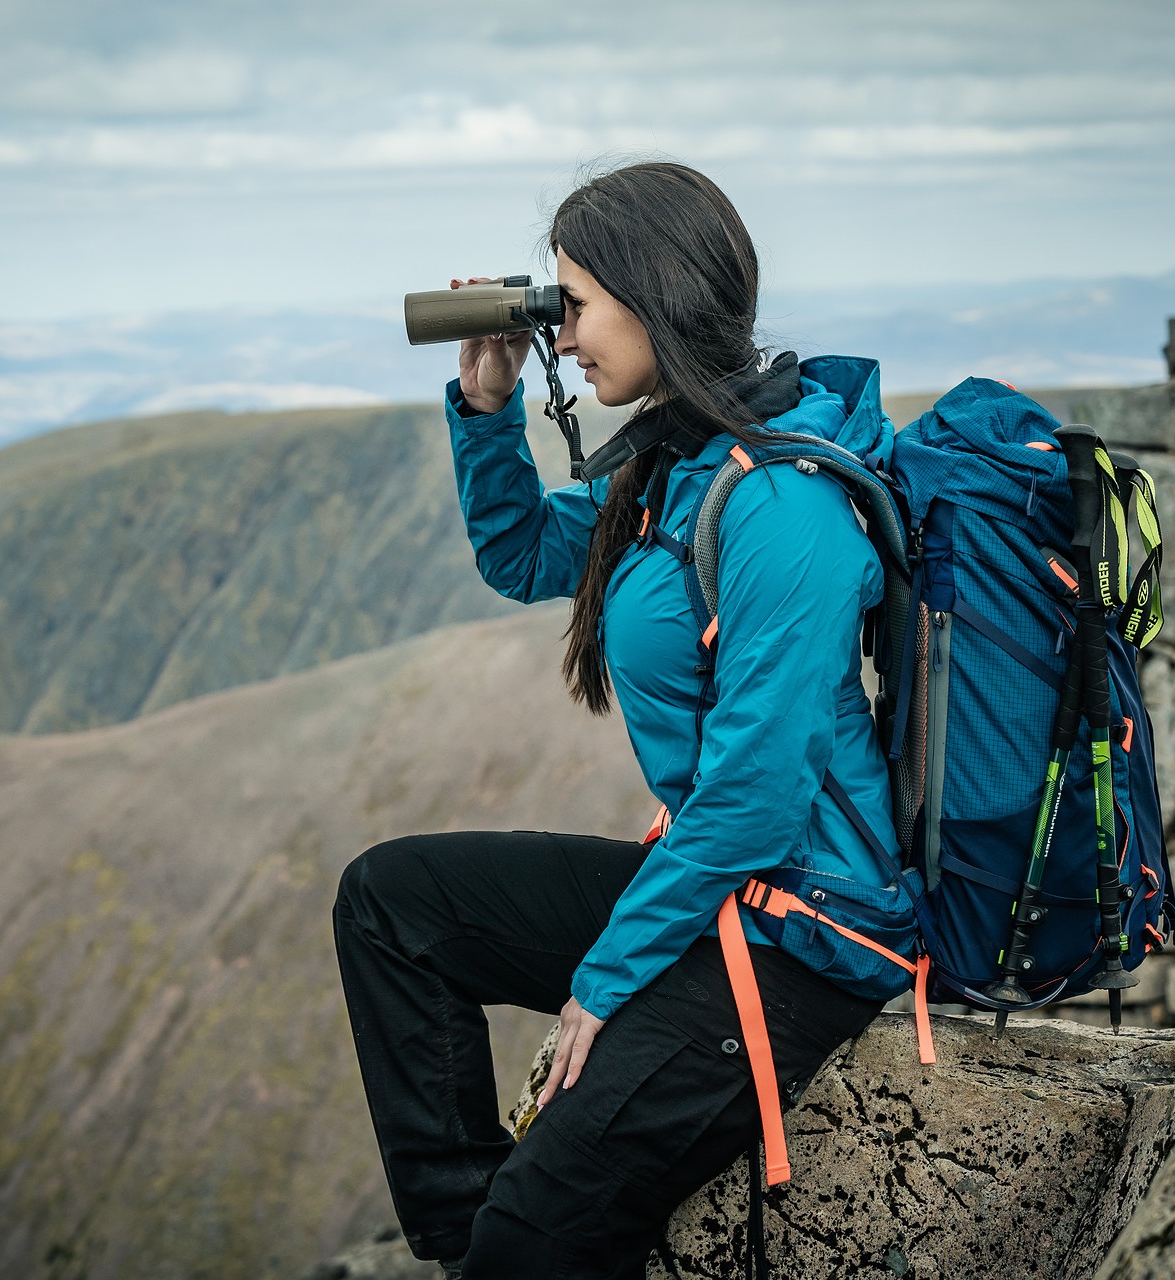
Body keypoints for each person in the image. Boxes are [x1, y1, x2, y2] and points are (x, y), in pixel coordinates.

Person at [333, 161, 901, 1279]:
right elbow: (523, 554)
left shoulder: (782, 507)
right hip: (719, 894)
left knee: (536, 1238)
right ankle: (468, 1237)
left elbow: (756, 799)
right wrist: (487, 407)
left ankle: (507, 1244)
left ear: (657, 298)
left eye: (577, 304)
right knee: (392, 904)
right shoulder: (673, 464)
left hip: (806, 938)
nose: (564, 334)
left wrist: (603, 980)